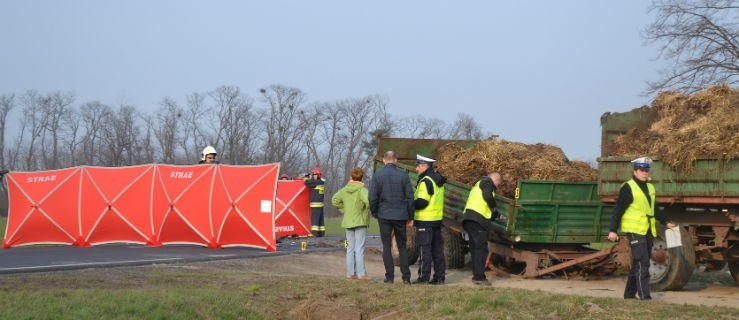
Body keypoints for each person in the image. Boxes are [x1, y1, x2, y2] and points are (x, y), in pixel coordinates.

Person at [608, 156, 676, 300]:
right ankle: (645, 296)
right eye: (641, 170)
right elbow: (618, 209)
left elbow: (655, 209)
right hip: (634, 230)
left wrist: (666, 222)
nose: (645, 172)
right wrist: (613, 230)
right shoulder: (628, 187)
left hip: (648, 230)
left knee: (639, 263)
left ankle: (629, 294)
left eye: (646, 169)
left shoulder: (650, 187)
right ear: (635, 171)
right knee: (643, 261)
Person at [369, 151, 414, 284]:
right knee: (402, 246)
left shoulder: (377, 176)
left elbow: (372, 198)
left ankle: (389, 277)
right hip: (400, 216)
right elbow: (410, 198)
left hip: (384, 215)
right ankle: (406, 277)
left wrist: (375, 212)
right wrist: (410, 216)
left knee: (387, 246)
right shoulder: (404, 176)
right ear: (395, 160)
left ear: (384, 160)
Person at [462, 172, 504, 286]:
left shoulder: (478, 184)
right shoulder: (487, 182)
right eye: (498, 184)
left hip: (469, 219)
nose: (497, 187)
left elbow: (484, 203)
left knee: (475, 249)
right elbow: (488, 197)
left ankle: (476, 275)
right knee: (481, 249)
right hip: (478, 220)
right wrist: (494, 208)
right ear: (496, 180)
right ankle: (479, 277)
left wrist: (498, 215)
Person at [412, 154, 447, 285]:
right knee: (437, 250)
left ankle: (423, 278)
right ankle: (439, 278)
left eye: (418, 166)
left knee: (424, 250)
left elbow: (422, 202)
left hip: (425, 220)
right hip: (437, 220)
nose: (416, 169)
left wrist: (410, 204)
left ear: (425, 166)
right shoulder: (438, 179)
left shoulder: (426, 180)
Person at [332, 167, 371, 280]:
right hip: (360, 222)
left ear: (351, 177)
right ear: (362, 178)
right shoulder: (362, 190)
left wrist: (345, 210)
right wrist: (364, 210)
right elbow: (368, 202)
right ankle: (361, 274)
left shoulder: (345, 189)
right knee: (359, 248)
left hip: (348, 222)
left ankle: (350, 273)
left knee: (350, 248)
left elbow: (334, 200)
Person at [304, 167, 326, 237]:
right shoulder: (321, 182)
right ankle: (321, 233)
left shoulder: (316, 182)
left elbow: (307, 183)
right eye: (313, 174)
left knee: (315, 218)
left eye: (314, 174)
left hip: (316, 204)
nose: (313, 176)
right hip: (320, 204)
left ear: (318, 175)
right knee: (320, 219)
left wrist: (306, 177)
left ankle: (314, 233)